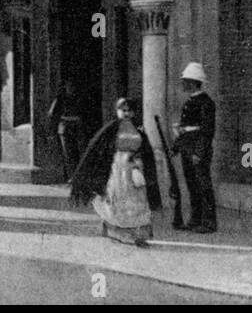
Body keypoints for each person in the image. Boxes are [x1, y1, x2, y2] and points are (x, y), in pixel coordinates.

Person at [69, 97, 162, 247]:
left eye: (129, 110)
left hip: (134, 169)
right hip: (117, 169)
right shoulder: (111, 129)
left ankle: (136, 234)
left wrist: (140, 160)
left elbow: (145, 150)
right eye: (123, 110)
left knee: (137, 200)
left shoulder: (138, 130)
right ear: (117, 111)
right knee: (118, 198)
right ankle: (117, 232)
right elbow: (97, 148)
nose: (126, 113)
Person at [172, 62, 217, 233]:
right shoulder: (190, 102)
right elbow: (184, 129)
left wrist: (199, 152)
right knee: (192, 185)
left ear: (192, 82)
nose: (183, 84)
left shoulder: (206, 103)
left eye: (185, 81)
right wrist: (175, 147)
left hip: (198, 149)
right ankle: (195, 219)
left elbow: (207, 131)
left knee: (203, 184)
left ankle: (209, 222)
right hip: (187, 148)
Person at [48, 83, 83, 183]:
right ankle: (70, 176)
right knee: (67, 154)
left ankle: (77, 176)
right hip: (64, 128)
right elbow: (51, 113)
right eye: (69, 86)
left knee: (78, 152)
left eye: (73, 86)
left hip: (76, 128)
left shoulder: (78, 98)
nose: (71, 88)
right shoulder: (60, 99)